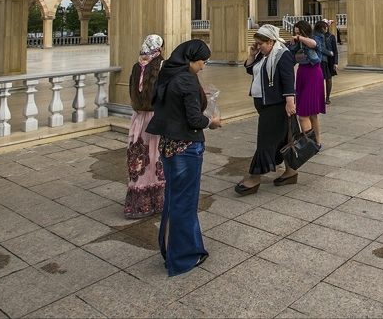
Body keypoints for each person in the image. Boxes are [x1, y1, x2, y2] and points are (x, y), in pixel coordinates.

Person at [145, 39, 221, 276]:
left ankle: (169, 249)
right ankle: (182, 257)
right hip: (186, 148)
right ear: (190, 59)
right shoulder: (186, 80)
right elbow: (195, 120)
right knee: (185, 203)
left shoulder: (167, 75)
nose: (202, 67)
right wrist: (212, 122)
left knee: (173, 199)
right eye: (202, 62)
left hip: (168, 145)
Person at [237, 24, 298, 195]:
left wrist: (290, 102)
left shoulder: (282, 54)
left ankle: (255, 178)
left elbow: (288, 79)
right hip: (265, 104)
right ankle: (291, 172)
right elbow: (251, 70)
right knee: (281, 138)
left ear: (270, 41)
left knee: (264, 140)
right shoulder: (263, 56)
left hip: (276, 105)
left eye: (260, 43)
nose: (258, 46)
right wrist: (252, 54)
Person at [125, 34, 166, 218]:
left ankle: (139, 203)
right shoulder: (161, 67)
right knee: (156, 157)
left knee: (140, 159)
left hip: (139, 119)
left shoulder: (136, 67)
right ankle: (158, 200)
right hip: (156, 119)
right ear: (160, 49)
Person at [287, 20, 326, 147]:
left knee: (303, 113)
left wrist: (300, 38)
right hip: (302, 74)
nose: (297, 35)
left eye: (300, 32)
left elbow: (314, 44)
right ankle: (317, 143)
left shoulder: (316, 37)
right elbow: (290, 56)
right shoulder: (297, 44)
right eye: (295, 33)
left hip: (313, 73)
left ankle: (310, 144)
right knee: (312, 114)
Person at [319, 20, 338, 105]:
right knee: (320, 78)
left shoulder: (331, 36)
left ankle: (327, 97)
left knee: (329, 78)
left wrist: (336, 62)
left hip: (330, 59)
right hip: (322, 59)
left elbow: (335, 50)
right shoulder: (317, 36)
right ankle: (321, 96)